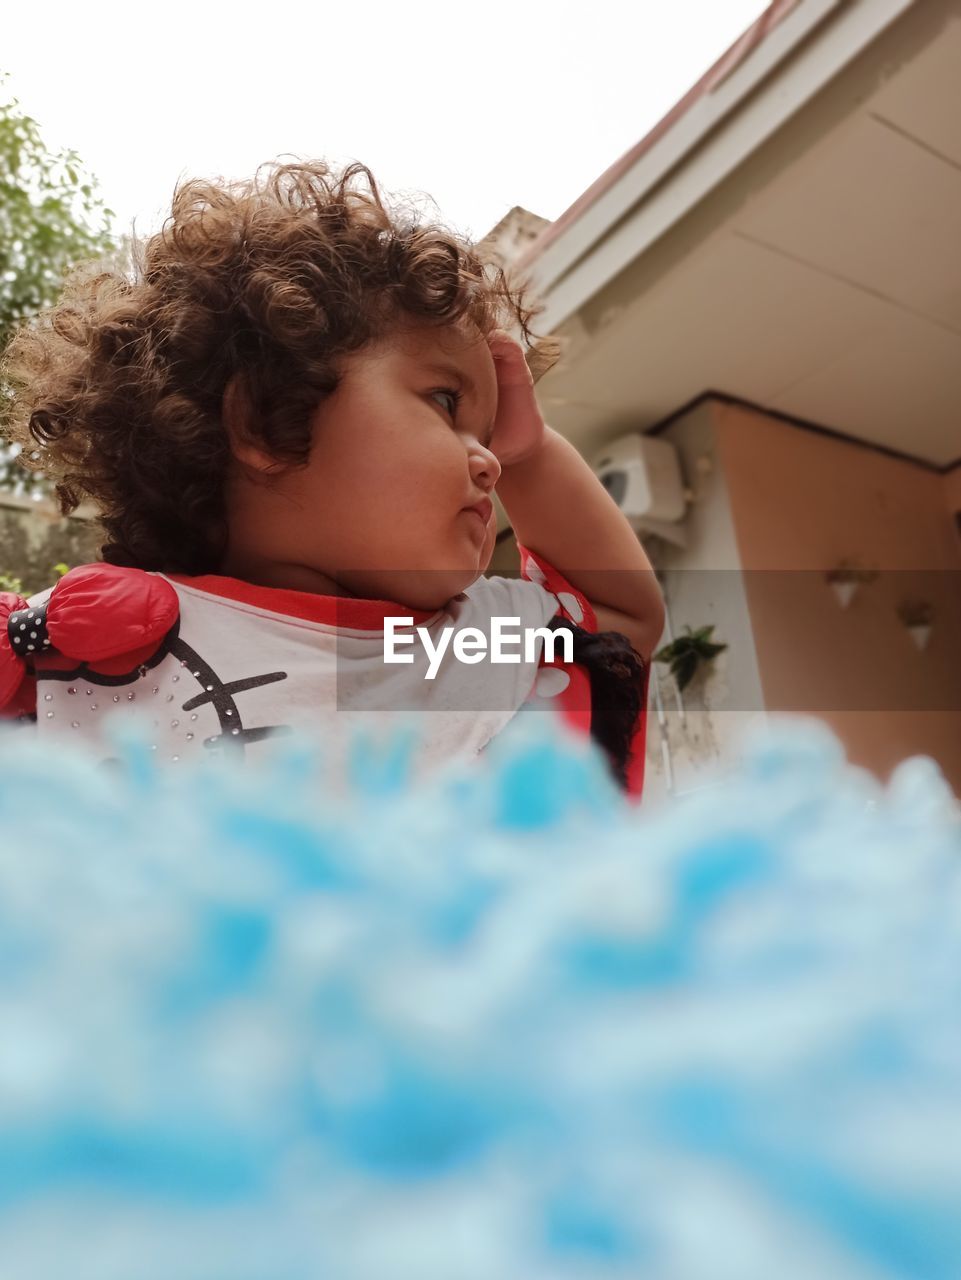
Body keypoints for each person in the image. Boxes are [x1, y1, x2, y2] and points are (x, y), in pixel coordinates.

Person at [0, 160, 664, 798]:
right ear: (266, 419)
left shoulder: (459, 641)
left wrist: (533, 453)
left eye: (489, 442)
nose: (488, 461)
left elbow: (621, 617)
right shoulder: (85, 646)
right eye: (444, 403)